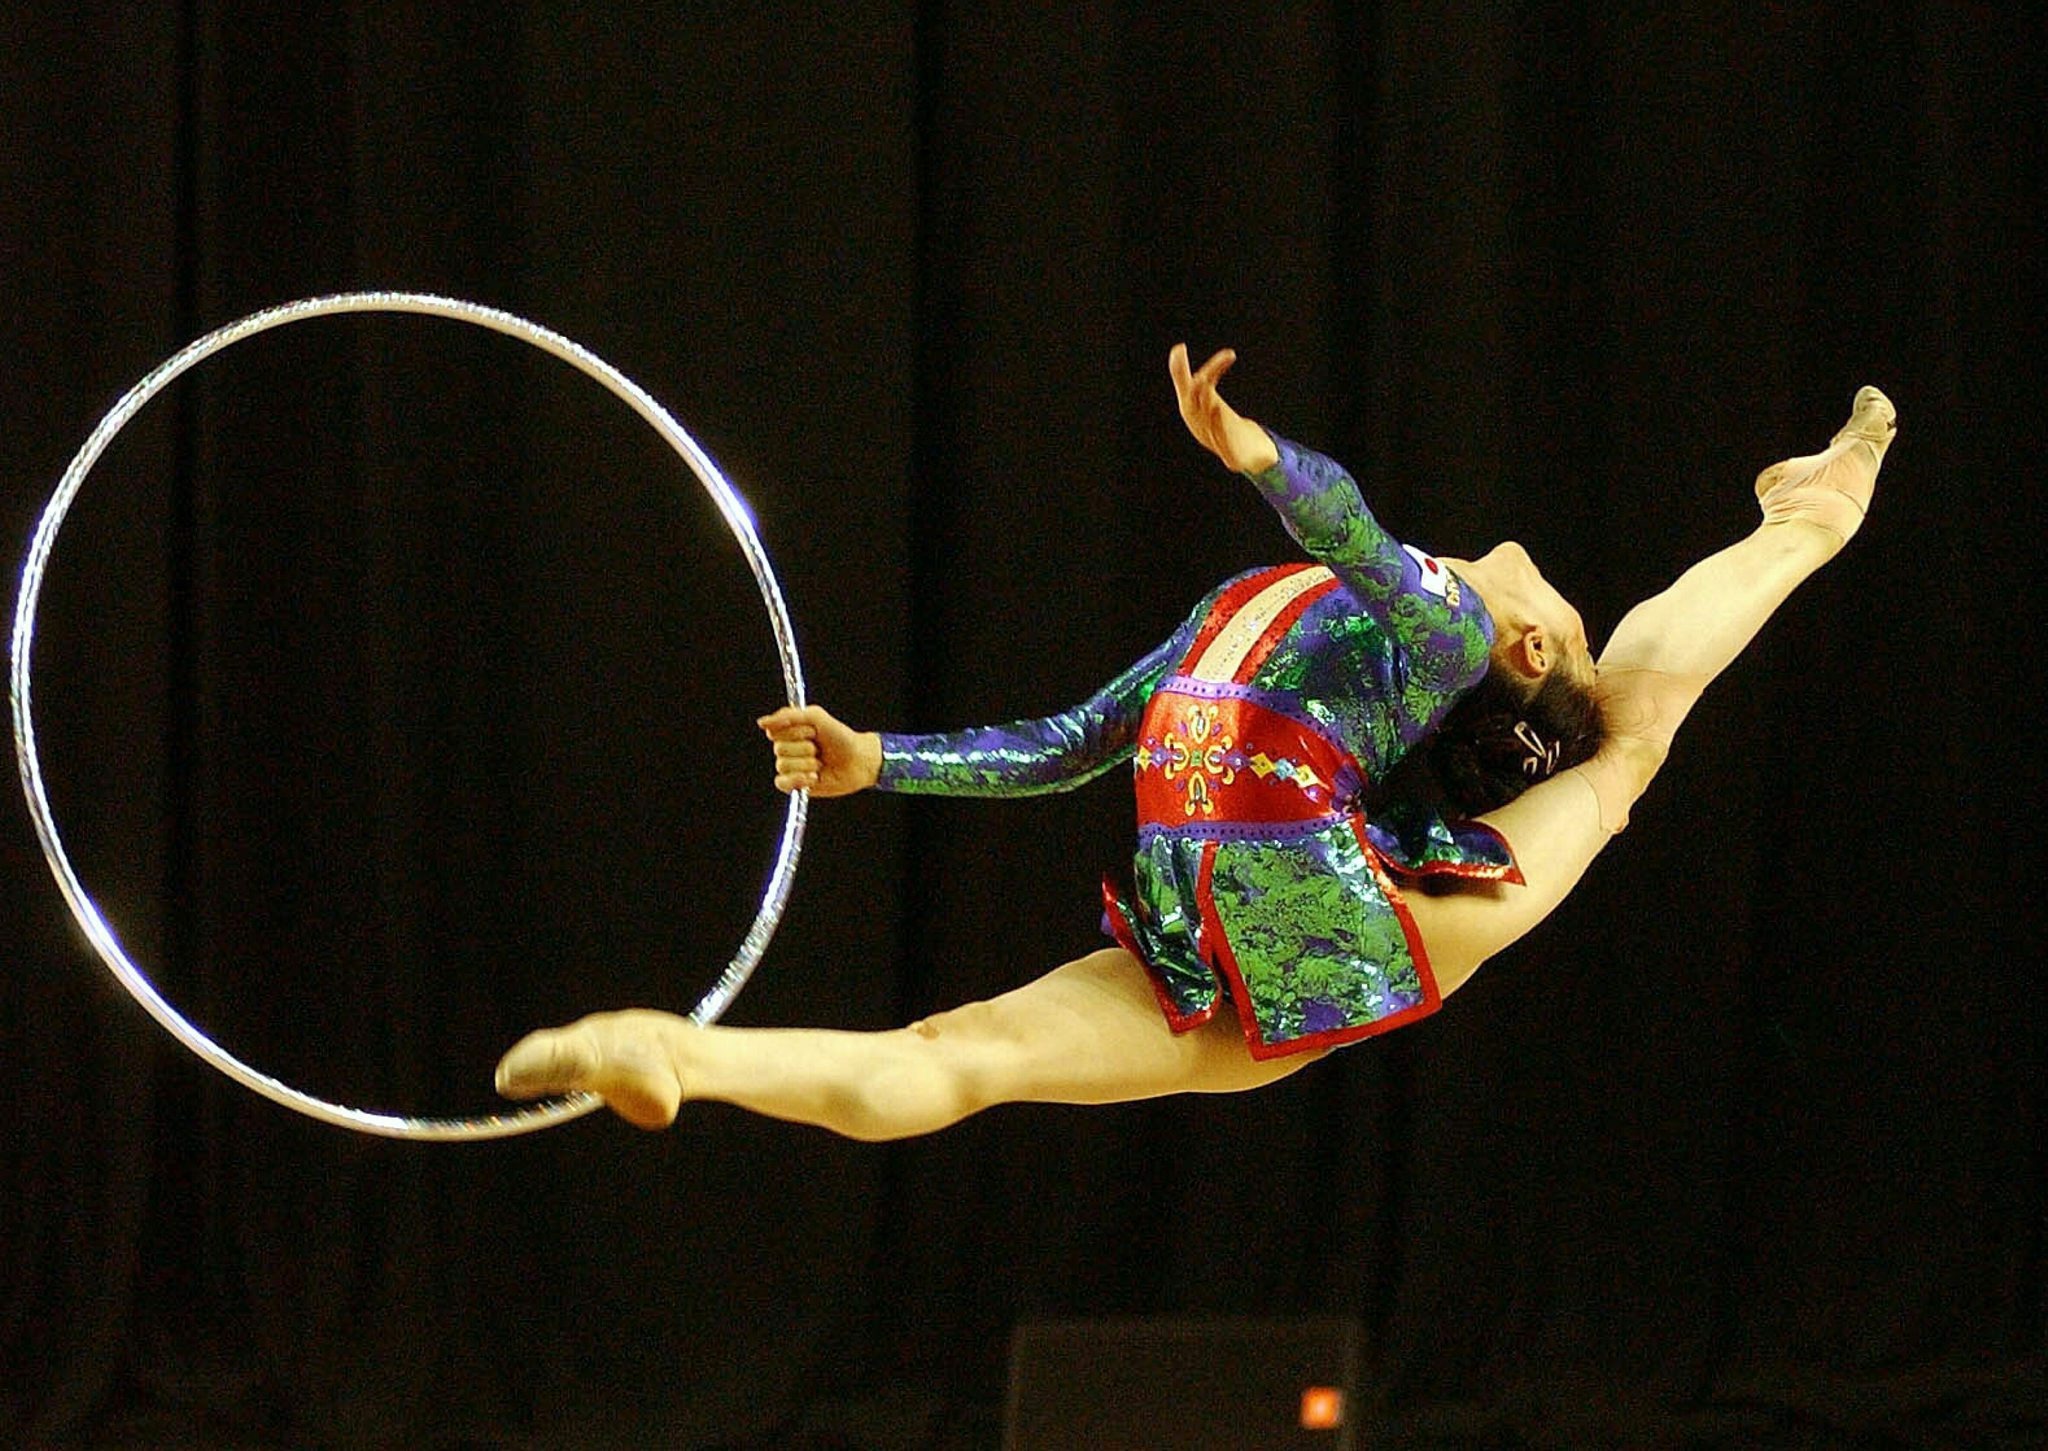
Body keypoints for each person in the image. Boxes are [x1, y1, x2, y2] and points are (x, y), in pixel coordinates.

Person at [495, 346, 1896, 1137]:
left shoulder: (1452, 632)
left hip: (1269, 889)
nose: (1567, 600)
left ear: (1526, 653)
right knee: (960, 1048)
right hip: (1259, 895)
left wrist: (1257, 457)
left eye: (1574, 629)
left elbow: (1344, 527)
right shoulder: (1268, 611)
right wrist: (879, 757)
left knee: (1626, 741)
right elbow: (1072, 741)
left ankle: (1809, 522)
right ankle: (666, 1051)